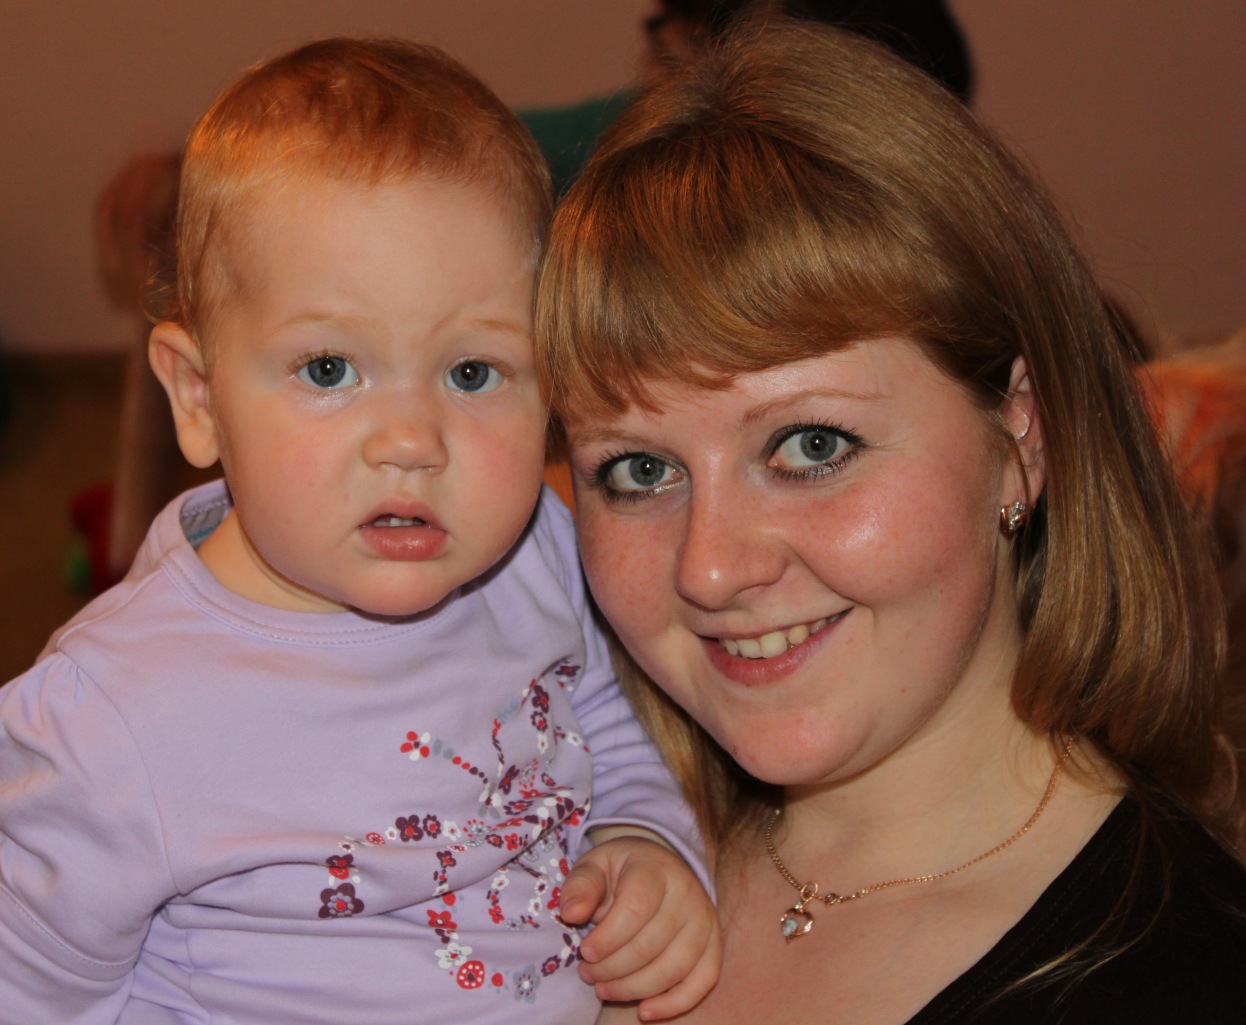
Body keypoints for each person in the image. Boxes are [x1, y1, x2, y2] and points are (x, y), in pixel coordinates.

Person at [535, 19, 1246, 1024]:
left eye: (810, 444)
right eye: (640, 470)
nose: (711, 568)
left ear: (1021, 434)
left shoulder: (1186, 976)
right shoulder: (525, 878)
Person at [0, 38, 720, 1024]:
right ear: (200, 398)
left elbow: (608, 711)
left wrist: (643, 835)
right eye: (330, 370)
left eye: (473, 372)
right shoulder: (110, 715)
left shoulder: (541, 557)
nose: (411, 441)